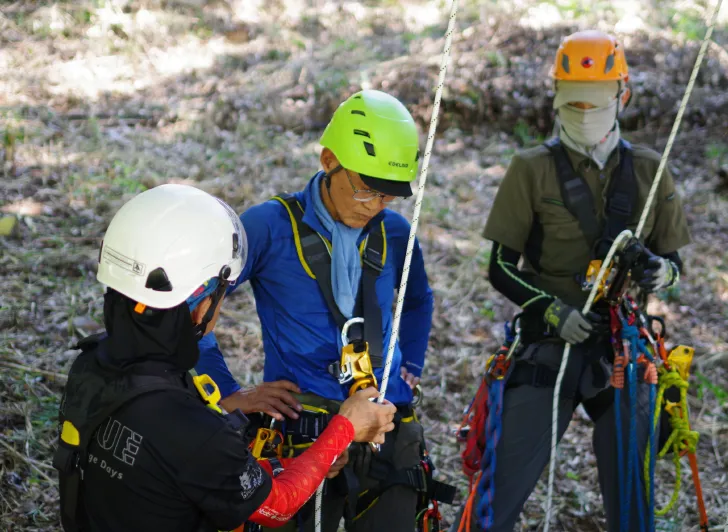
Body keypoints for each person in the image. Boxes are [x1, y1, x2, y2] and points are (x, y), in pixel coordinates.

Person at [452, 30, 691, 531]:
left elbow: (672, 262)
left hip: (622, 350)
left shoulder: (649, 171)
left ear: (622, 96)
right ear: (557, 97)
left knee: (633, 501)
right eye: (573, 101)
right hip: (547, 348)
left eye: (596, 101)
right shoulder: (531, 169)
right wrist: (551, 311)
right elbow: (500, 267)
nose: (584, 112)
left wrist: (661, 270)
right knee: (498, 495)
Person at [54, 184, 397, 532]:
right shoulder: (193, 430)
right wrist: (345, 427)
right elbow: (277, 506)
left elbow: (179, 466)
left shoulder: (91, 364)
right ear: (202, 305)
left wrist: (300, 457)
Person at [196, 89, 445, 532]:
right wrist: (227, 392)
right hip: (303, 432)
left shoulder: (394, 232)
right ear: (329, 160)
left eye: (388, 195)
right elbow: (194, 305)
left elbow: (418, 299)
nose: (375, 205)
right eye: (366, 189)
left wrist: (412, 364)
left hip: (386, 424)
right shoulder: (270, 227)